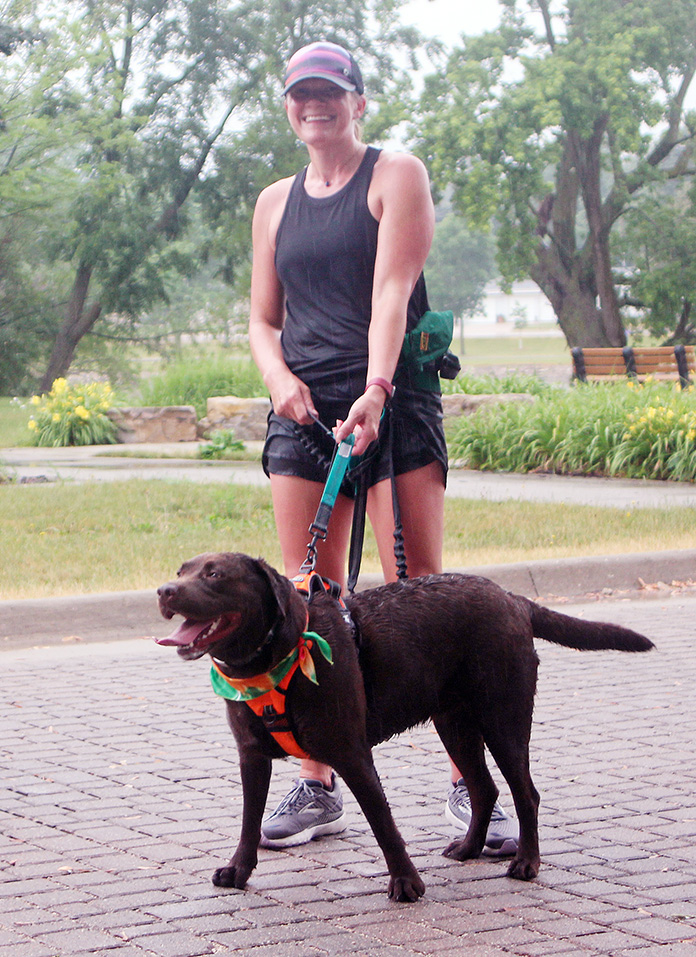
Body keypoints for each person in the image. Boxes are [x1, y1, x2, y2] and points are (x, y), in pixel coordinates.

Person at [248, 41, 518, 853]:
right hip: (304, 413)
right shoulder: (272, 201)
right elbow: (263, 317)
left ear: (358, 101)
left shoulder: (396, 174)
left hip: (392, 402)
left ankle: (473, 786)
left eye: (330, 91)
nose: (315, 104)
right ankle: (316, 781)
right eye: (301, 93)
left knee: (420, 591)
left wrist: (374, 388)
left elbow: (393, 288)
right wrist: (278, 381)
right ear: (288, 106)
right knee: (309, 598)